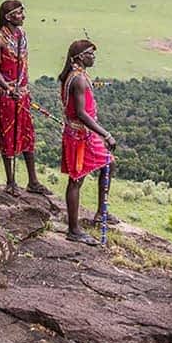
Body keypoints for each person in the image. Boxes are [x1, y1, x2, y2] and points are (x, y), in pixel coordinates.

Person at [59, 39, 116, 246]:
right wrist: (106, 134)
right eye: (91, 54)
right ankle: (73, 230)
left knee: (109, 163)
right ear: (80, 57)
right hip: (80, 136)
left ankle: (102, 212)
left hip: (84, 134)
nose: (94, 57)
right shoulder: (79, 80)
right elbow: (82, 114)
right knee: (76, 179)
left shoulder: (78, 75)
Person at [0, 0, 48, 196]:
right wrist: (7, 88)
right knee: (8, 135)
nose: (23, 16)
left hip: (22, 93)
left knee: (27, 135)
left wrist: (20, 90)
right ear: (8, 17)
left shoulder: (22, 35)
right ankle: (11, 182)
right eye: (19, 13)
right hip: (7, 94)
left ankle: (33, 181)